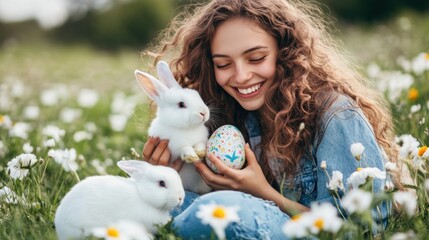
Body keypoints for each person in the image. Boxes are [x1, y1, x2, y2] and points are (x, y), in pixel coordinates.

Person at [141, 0, 404, 238]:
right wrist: (171, 176)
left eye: (256, 58)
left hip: (300, 230)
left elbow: (363, 228)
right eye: (223, 64)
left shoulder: (335, 115)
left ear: (286, 52)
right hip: (246, 217)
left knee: (219, 209)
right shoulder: (230, 111)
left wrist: (263, 192)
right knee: (141, 199)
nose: (241, 76)